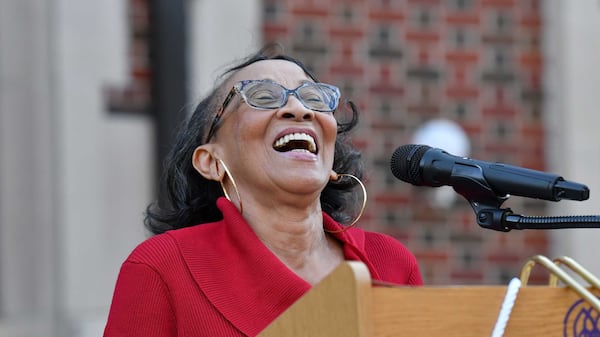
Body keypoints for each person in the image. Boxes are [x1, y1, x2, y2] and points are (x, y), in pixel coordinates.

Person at [103, 45, 422, 337]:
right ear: (211, 160)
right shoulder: (162, 268)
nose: (299, 109)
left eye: (313, 98)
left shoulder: (391, 263)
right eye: (264, 96)